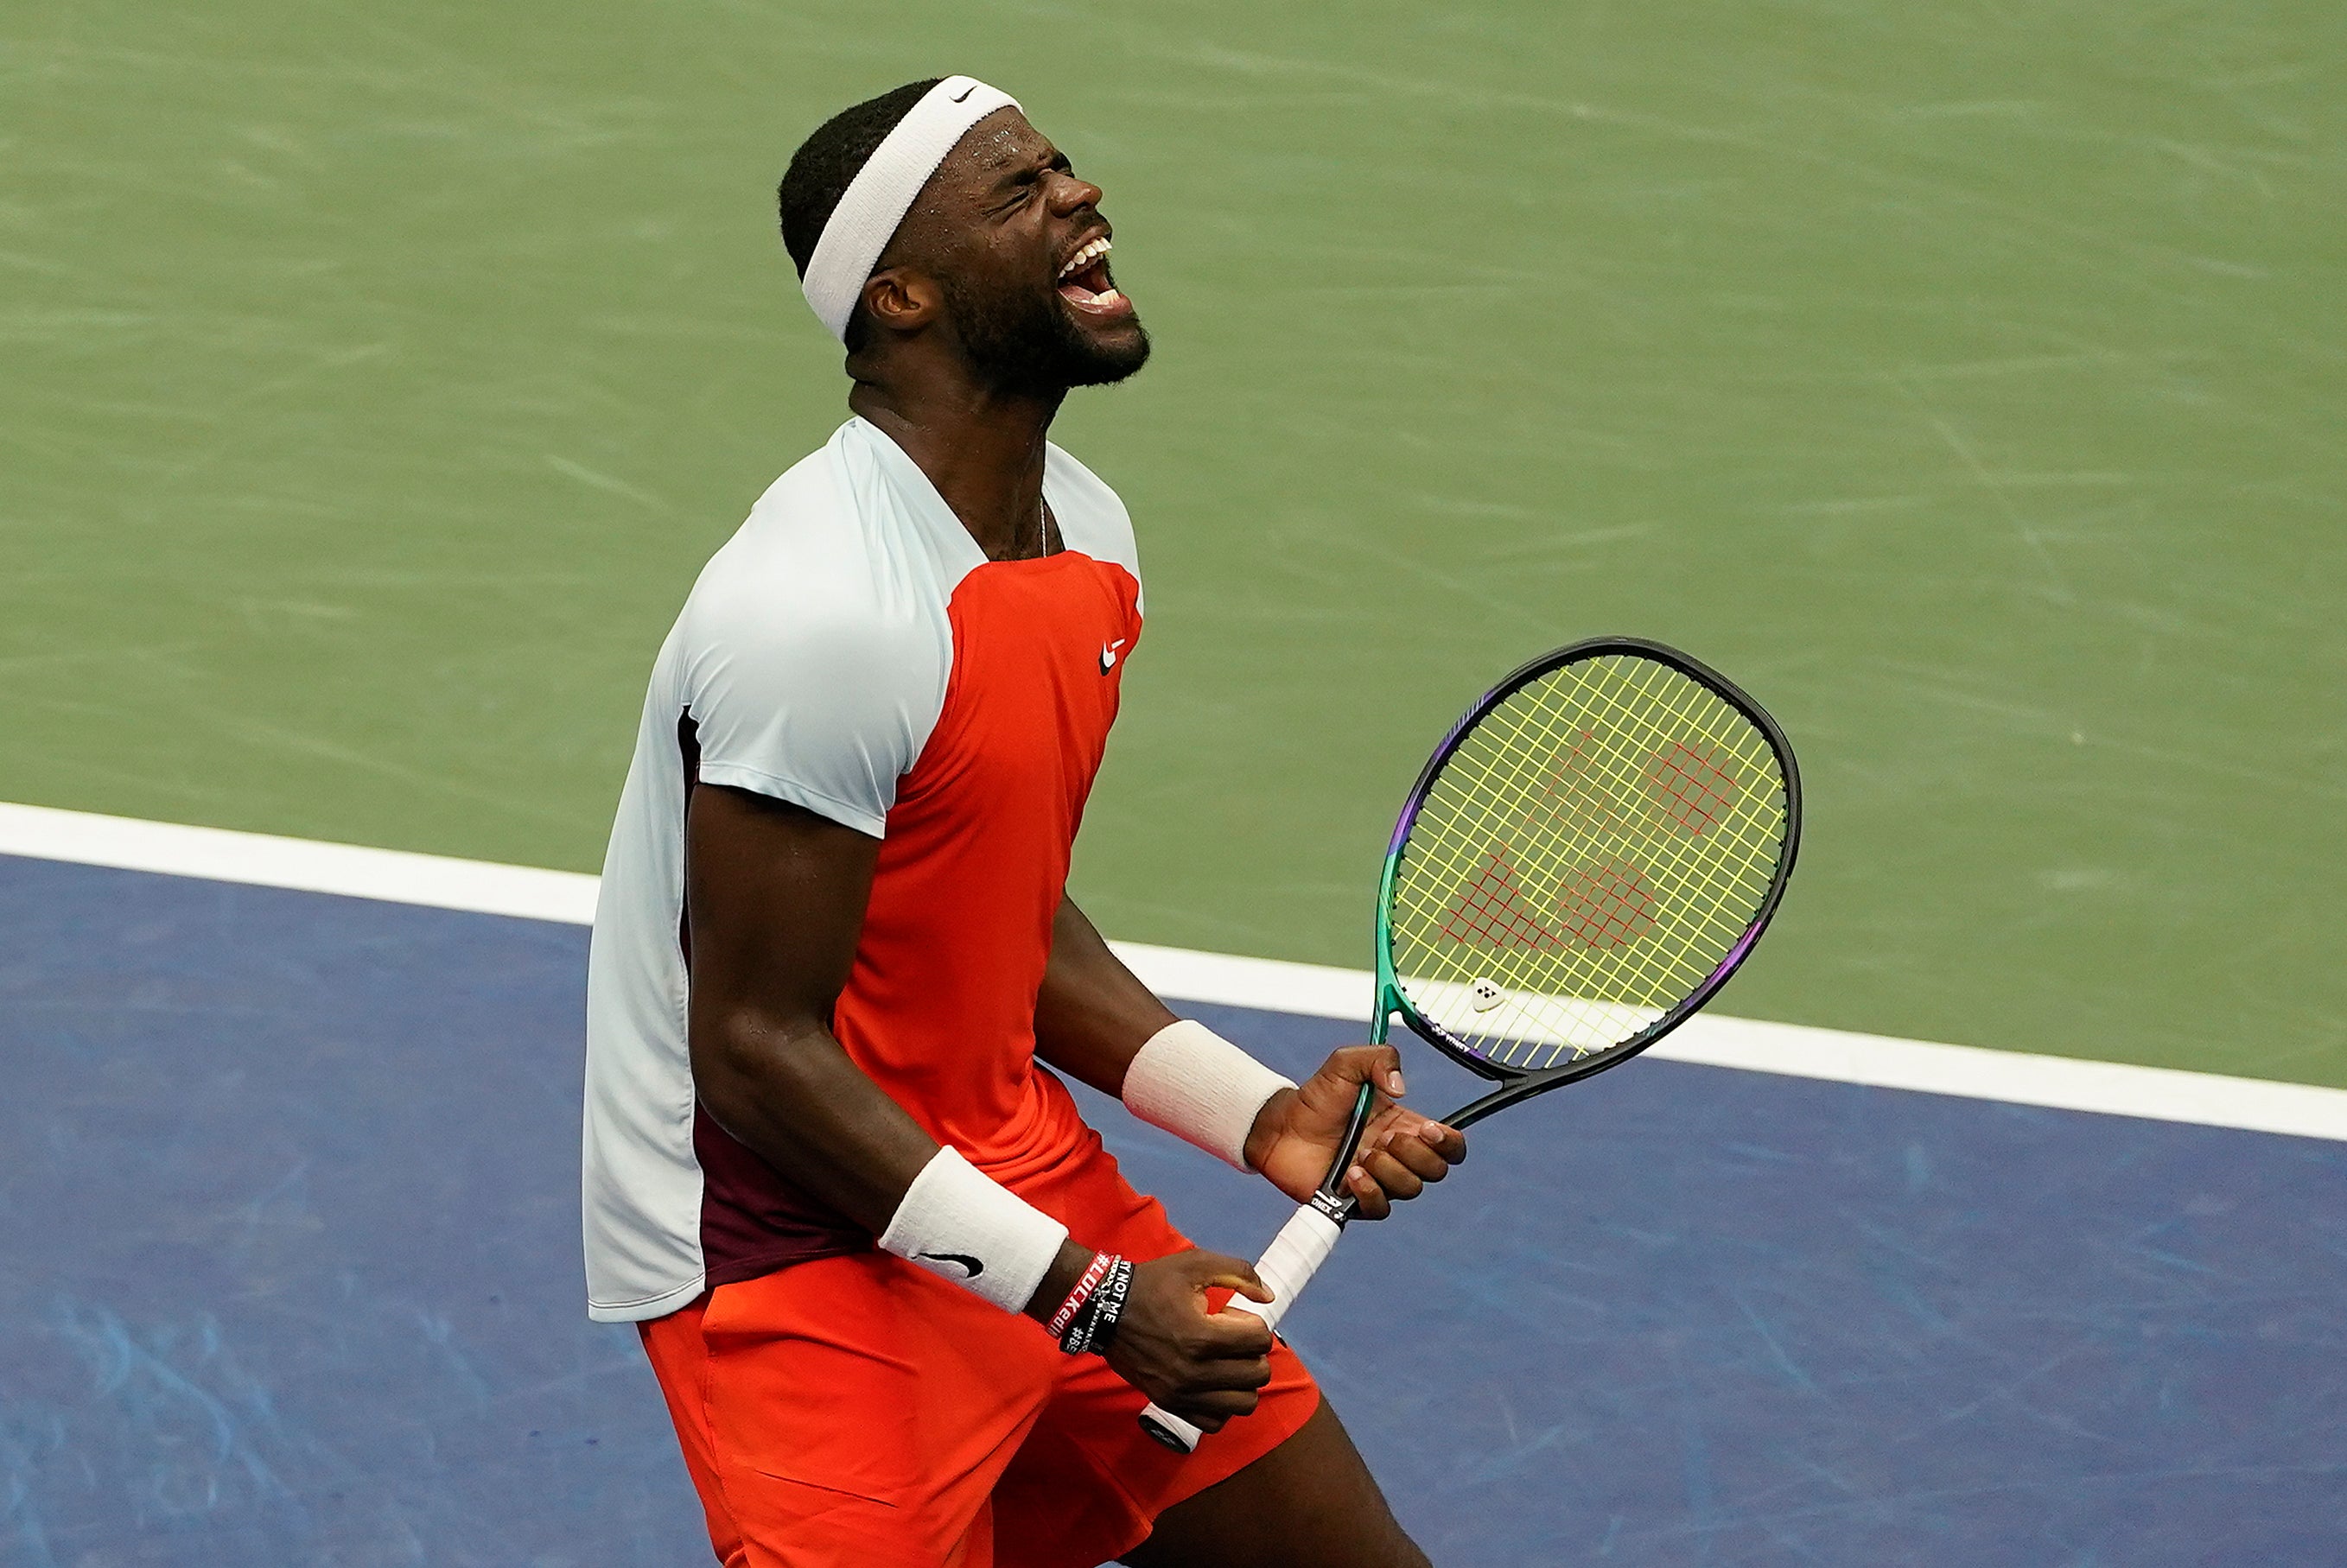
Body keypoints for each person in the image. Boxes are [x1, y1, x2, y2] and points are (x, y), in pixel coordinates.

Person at [582, 75, 1466, 1568]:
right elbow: (752, 1052)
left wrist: (1252, 1115)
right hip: (795, 1256)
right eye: (1017, 189)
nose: (1079, 193)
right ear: (903, 294)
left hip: (1011, 1175)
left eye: (1061, 164)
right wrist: (1092, 1299)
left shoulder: (1089, 537)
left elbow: (993, 913)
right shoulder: (824, 614)